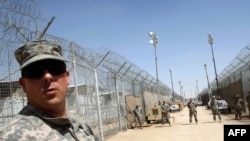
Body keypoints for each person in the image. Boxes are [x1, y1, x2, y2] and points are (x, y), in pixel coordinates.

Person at [0, 40, 98, 141]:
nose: (47, 76)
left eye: (55, 68)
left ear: (67, 77)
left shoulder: (78, 124)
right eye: (35, 71)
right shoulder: (11, 136)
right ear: (23, 84)